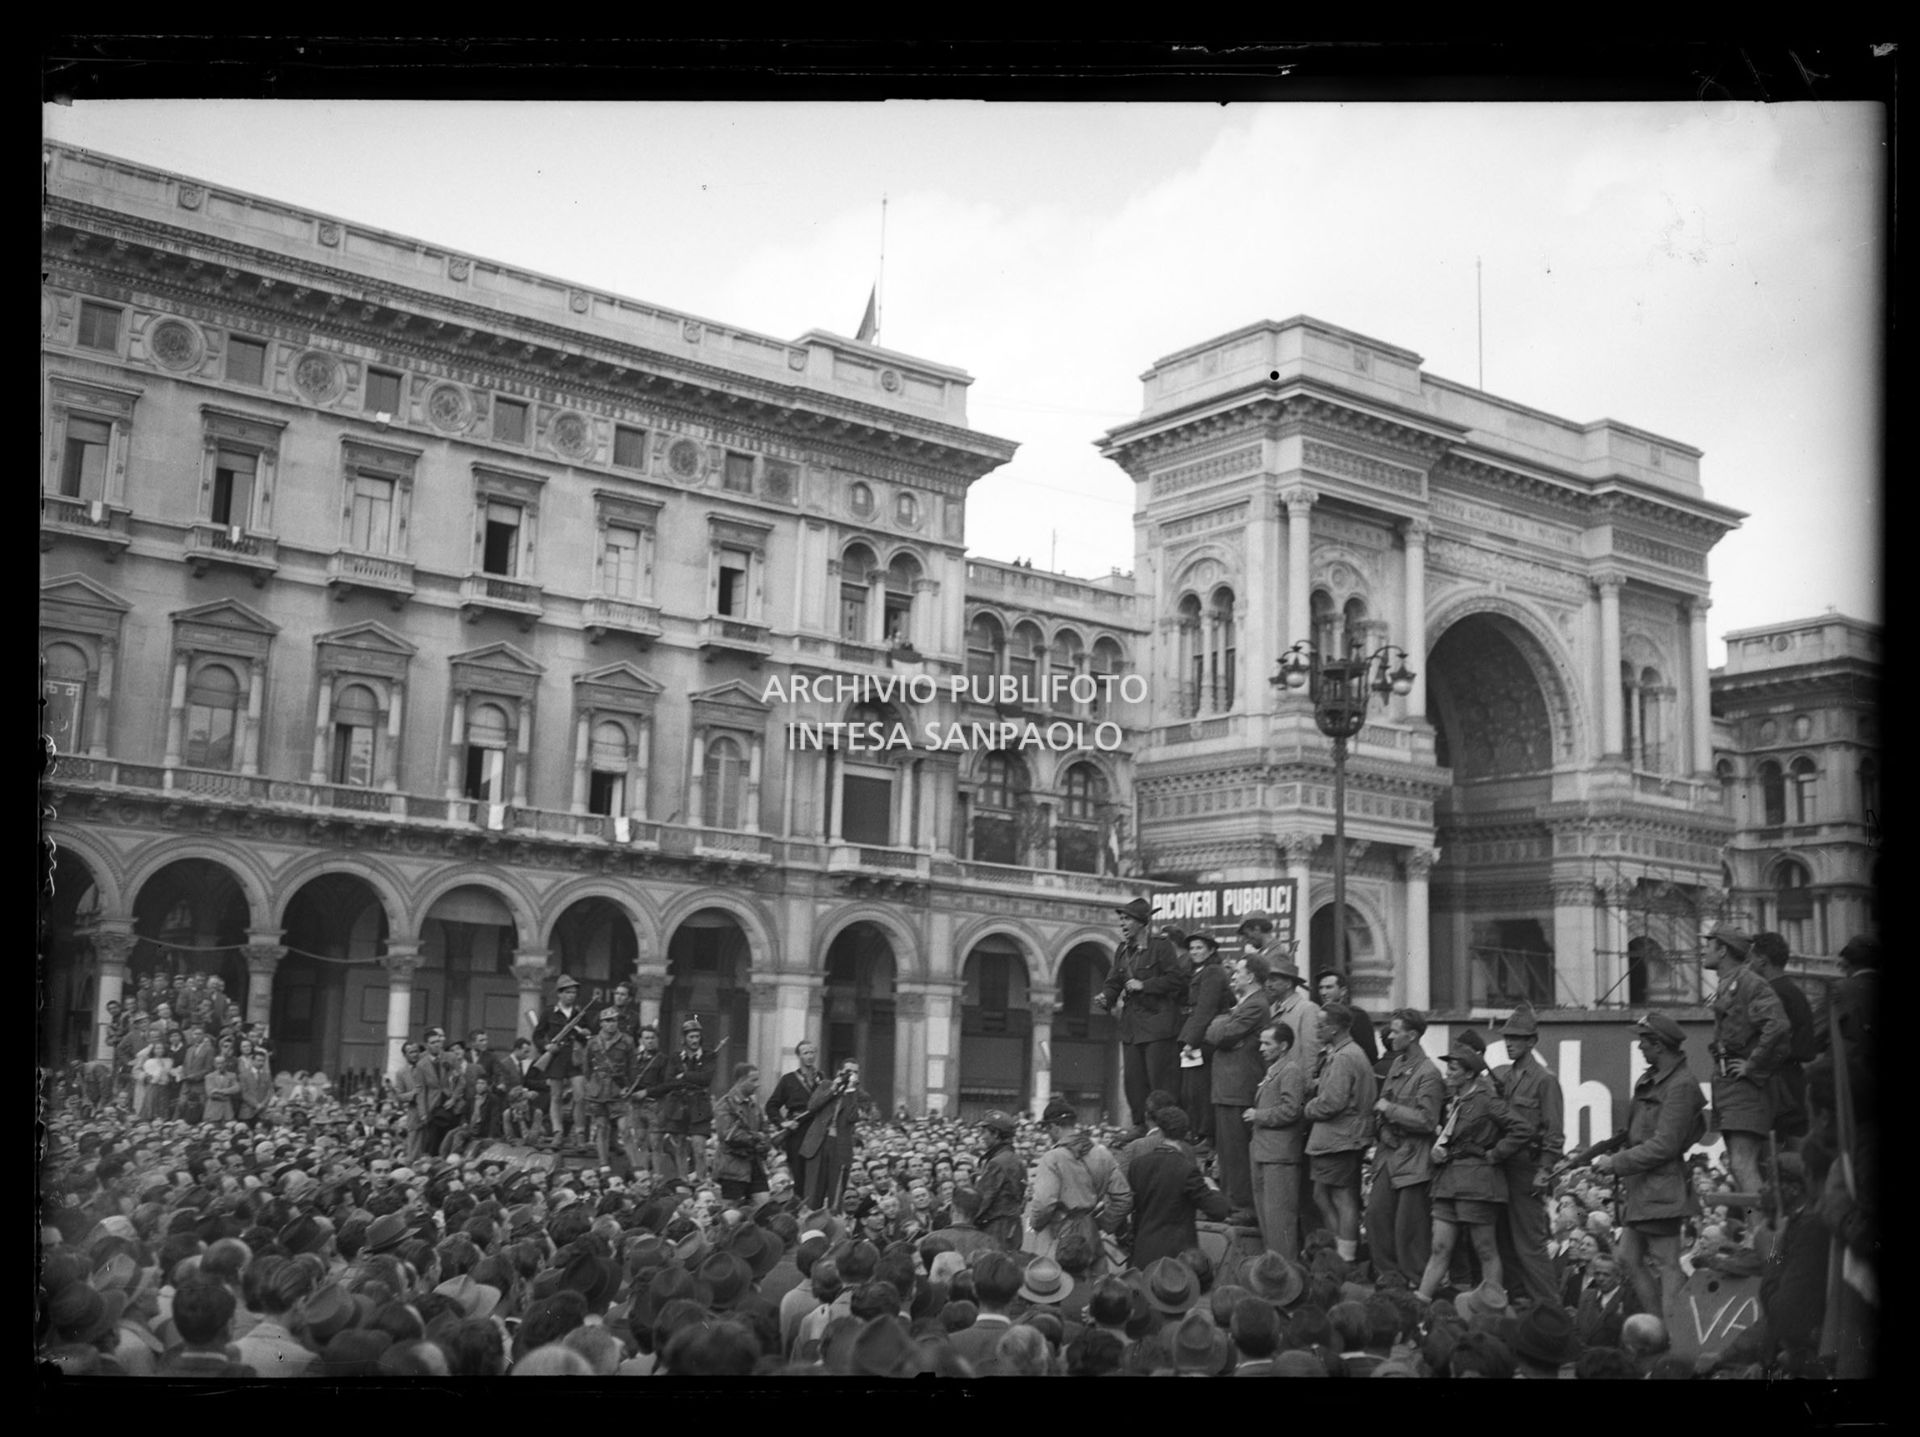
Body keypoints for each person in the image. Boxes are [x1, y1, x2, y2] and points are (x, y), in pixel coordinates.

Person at [1592, 1012, 1707, 1327]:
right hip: (1643, 1188)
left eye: (1644, 1040)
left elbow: (1665, 1145)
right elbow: (1638, 1133)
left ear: (1659, 1044)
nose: (1640, 1046)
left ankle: (1674, 1333)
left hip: (1661, 1189)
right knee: (1627, 1259)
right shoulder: (1651, 1078)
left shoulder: (1681, 1085)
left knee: (1668, 1264)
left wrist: (1615, 1162)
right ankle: (1658, 1323)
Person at [1416, 1040, 1525, 1302]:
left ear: (1469, 1074)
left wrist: (1496, 1153)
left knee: (1485, 1249)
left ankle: (1493, 1307)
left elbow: (1522, 1129)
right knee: (1440, 1247)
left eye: (1453, 1069)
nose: (1448, 1073)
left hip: (1478, 1184)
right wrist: (1435, 1152)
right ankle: (1420, 1305)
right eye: (1448, 1068)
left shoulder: (1487, 1100)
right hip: (1448, 1182)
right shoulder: (1454, 1101)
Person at [1702, 925, 1789, 1211]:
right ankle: (1762, 1239)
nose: (1705, 950)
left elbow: (1777, 1026)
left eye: (1709, 944)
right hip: (1730, 1085)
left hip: (1745, 1088)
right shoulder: (1731, 982)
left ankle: (1768, 1243)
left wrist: (1753, 1065)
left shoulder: (1750, 983)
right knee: (1741, 1167)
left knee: (1742, 1164)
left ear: (1723, 949)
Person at [1491, 1002, 1564, 1307]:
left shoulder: (1544, 1079)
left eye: (1517, 1038)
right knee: (1504, 1242)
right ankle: (1521, 1304)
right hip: (1504, 1168)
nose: (1509, 1043)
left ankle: (1550, 1310)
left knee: (1530, 1245)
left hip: (1528, 1170)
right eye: (1507, 1037)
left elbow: (1555, 1133)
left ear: (1532, 1041)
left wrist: (1544, 1170)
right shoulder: (1506, 1077)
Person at [1095, 896, 1188, 1133]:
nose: (1123, 924)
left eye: (1127, 919)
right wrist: (1106, 997)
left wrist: (1145, 985)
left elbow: (1176, 979)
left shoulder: (1161, 946)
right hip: (1132, 1028)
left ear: (1141, 922)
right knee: (1133, 1084)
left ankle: (1166, 1128)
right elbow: (1114, 981)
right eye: (1122, 919)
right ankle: (1139, 1125)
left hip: (1158, 1025)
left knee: (1161, 1084)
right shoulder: (1122, 951)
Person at [1367, 1008, 1445, 1288]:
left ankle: (1413, 1282)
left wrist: (1391, 1110)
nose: (1390, 1034)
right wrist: (1384, 1128)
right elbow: (1380, 1107)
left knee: (1408, 1229)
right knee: (1376, 1216)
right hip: (1389, 1154)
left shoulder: (1429, 1073)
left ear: (1412, 1036)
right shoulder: (1397, 1064)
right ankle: (1388, 1277)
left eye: (1397, 1030)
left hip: (1414, 1160)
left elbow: (1427, 1120)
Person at [1025, 1096, 1132, 1278]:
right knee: (1093, 1286)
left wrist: (1035, 1223)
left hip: (1058, 1233)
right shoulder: (1102, 1154)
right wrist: (1103, 1224)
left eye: (1047, 1129)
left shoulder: (1052, 1158)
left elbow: (1044, 1203)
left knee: (1053, 1287)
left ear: (1054, 1126)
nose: (1048, 1134)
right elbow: (1124, 1197)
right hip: (1090, 1231)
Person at [1303, 1002, 1377, 1265]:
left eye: (1321, 1024)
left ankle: (1344, 1257)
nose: (1317, 1029)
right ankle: (1340, 1251)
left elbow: (1332, 1102)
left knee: (1340, 1196)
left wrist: (1307, 1107)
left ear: (1334, 1029)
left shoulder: (1344, 1057)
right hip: (1341, 1137)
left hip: (1339, 1138)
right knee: (1324, 1195)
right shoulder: (1348, 1052)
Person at [1202, 949, 1272, 1225]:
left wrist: (1220, 1023)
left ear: (1251, 976)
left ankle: (1244, 1206)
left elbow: (1222, 1034)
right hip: (1228, 1087)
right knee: (1228, 1152)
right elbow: (1221, 1034)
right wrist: (1222, 1024)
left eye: (1239, 971)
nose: (1234, 976)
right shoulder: (1246, 1003)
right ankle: (1235, 1204)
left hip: (1238, 1087)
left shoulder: (1256, 1004)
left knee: (1236, 1153)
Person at [1125, 1104, 1229, 1270]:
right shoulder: (1187, 1170)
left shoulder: (1137, 1165)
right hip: (1177, 1259)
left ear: (1160, 1129)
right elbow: (1219, 1211)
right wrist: (1212, 1187)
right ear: (1186, 1133)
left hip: (1142, 1253)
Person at [1246, 1020, 1308, 1261]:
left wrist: (1258, 1115)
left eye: (1267, 1043)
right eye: (1261, 1042)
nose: (1261, 1048)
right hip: (1263, 1151)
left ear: (1283, 1046)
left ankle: (1285, 1274)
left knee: (1280, 1219)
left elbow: (1292, 1109)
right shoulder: (1274, 1070)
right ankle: (1273, 1271)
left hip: (1280, 1155)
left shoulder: (1290, 1070)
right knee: (1267, 1218)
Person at [1748, 932, 1817, 1143]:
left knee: (1779, 1151)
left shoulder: (1771, 995)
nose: (1748, 964)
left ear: (1762, 960)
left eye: (1750, 958)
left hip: (1778, 1084)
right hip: (1794, 1080)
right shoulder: (1793, 991)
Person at [1176, 931, 1230, 1150]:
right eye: (1192, 948)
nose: (1195, 952)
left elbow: (1206, 1008)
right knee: (1191, 1089)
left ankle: (1206, 1136)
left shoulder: (1213, 972)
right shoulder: (1199, 971)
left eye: (1199, 948)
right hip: (1196, 1033)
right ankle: (1197, 1134)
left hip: (1205, 1037)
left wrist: (1191, 1041)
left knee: (1200, 1087)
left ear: (1211, 950)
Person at [532, 975, 592, 1152]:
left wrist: (584, 1033)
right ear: (559, 994)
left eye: (573, 992)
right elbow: (537, 1035)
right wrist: (546, 1046)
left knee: (580, 1097)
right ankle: (558, 1132)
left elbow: (588, 1036)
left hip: (575, 1058)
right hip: (556, 1057)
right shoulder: (549, 1012)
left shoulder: (580, 1013)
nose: (571, 995)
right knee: (556, 1097)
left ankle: (580, 1133)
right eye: (567, 992)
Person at [799, 1059, 869, 1210]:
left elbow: (852, 1117)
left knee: (836, 1195)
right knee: (812, 1194)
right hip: (818, 1144)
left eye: (855, 1072)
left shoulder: (861, 1096)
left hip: (840, 1147)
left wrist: (850, 1091)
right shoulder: (826, 1085)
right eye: (848, 1071)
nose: (851, 1075)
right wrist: (834, 1088)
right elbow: (812, 1106)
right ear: (840, 1072)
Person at [765, 1040, 825, 1198]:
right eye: (806, 1053)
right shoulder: (788, 1080)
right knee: (798, 1172)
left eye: (812, 1052)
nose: (810, 1056)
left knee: (816, 1173)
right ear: (798, 1056)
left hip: (817, 1129)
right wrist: (783, 1122)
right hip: (797, 1131)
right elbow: (771, 1106)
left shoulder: (822, 1079)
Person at [661, 1019, 717, 1184]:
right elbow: (669, 1080)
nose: (694, 1040)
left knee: (699, 1149)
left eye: (697, 1036)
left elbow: (706, 1079)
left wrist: (684, 1076)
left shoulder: (709, 1056)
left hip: (699, 1106)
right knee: (680, 1147)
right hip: (678, 1106)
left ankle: (701, 1180)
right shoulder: (675, 1057)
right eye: (691, 1037)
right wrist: (692, 1080)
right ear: (684, 1038)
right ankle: (683, 1180)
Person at [583, 1008, 637, 1170]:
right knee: (601, 1128)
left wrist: (630, 1087)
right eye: (607, 1021)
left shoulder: (627, 1041)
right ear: (601, 1023)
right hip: (598, 1091)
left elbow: (632, 1067)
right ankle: (603, 1164)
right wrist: (591, 1085)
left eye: (614, 1020)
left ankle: (636, 1167)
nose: (611, 1024)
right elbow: (586, 1068)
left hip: (618, 1090)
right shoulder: (592, 1042)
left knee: (625, 1129)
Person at [714, 1062, 773, 1207]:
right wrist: (756, 1137)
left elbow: (765, 1129)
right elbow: (728, 1135)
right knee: (732, 1212)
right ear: (741, 1081)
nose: (757, 1084)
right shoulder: (725, 1104)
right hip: (732, 1168)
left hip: (754, 1164)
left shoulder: (754, 1105)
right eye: (753, 1080)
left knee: (764, 1206)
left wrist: (765, 1141)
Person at [973, 1110, 1027, 1250]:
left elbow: (982, 1200)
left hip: (997, 1229)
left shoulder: (997, 1162)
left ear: (996, 1134)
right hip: (1012, 1227)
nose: (981, 1136)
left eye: (984, 1132)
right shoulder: (1015, 1159)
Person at [628, 1024, 672, 1178]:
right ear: (640, 1040)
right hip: (636, 1106)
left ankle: (657, 1175)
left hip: (655, 1105)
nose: (650, 1041)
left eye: (653, 1038)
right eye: (646, 1038)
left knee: (655, 1143)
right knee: (639, 1141)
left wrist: (646, 1092)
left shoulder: (664, 1060)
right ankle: (642, 1174)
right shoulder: (634, 1059)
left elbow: (667, 1085)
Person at [1313, 969, 1379, 1067]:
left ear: (1343, 991)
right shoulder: (1321, 1015)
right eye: (1321, 988)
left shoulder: (1357, 1015)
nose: (1323, 992)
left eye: (1329, 987)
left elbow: (1369, 1054)